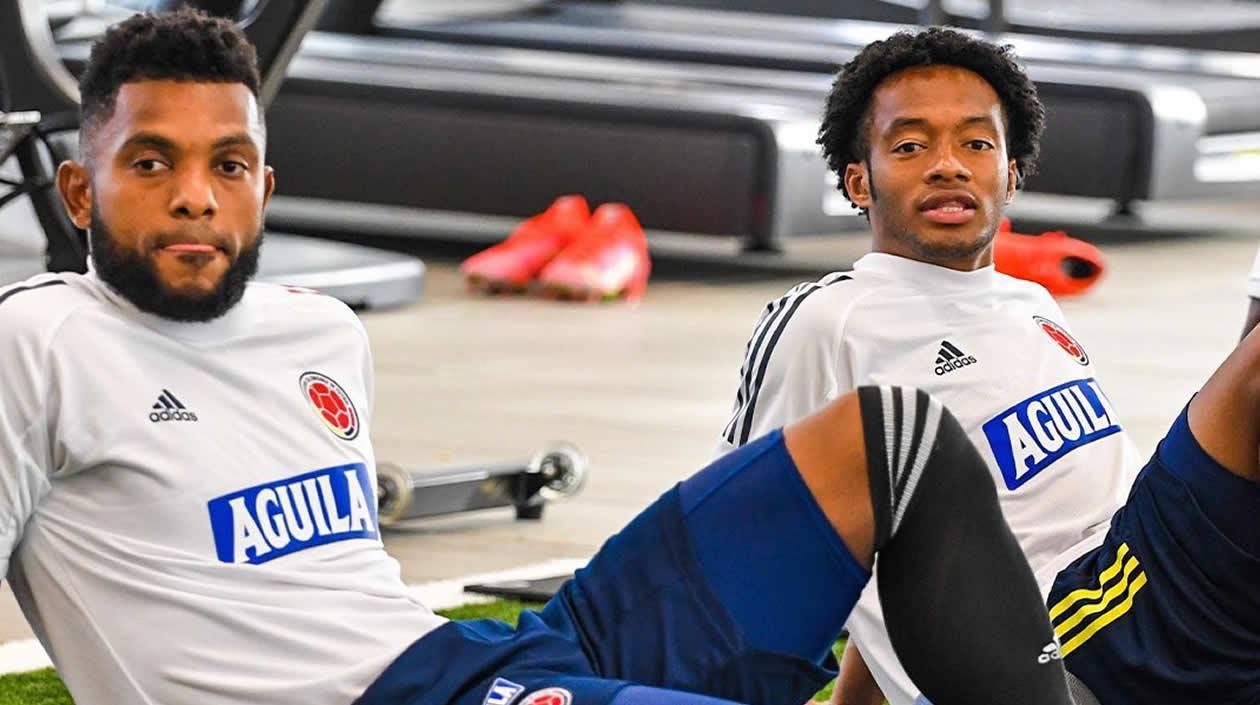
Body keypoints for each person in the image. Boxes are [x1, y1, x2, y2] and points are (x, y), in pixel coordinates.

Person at [0, 10, 1076, 705]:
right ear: (82, 193)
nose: (197, 193)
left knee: (895, 436)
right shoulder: (41, 343)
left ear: (264, 190)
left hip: (508, 655)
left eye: (228, 163)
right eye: (153, 163)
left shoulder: (317, 330)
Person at [717, 27, 1259, 705]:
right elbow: (747, 541)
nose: (948, 165)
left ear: (1011, 173)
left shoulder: (1031, 304)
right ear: (860, 181)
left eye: (976, 142)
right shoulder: (832, 318)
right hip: (1073, 625)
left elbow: (895, 560)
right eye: (910, 146)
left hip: (1149, 608)